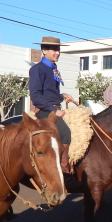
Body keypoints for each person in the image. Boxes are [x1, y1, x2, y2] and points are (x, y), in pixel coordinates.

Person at [28, 36, 75, 173]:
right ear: (44, 51)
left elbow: (48, 92)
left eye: (58, 49)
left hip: (55, 108)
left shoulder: (53, 68)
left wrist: (62, 96)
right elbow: (36, 96)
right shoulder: (37, 69)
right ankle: (63, 170)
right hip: (45, 110)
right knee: (65, 133)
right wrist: (53, 110)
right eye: (54, 50)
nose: (57, 53)